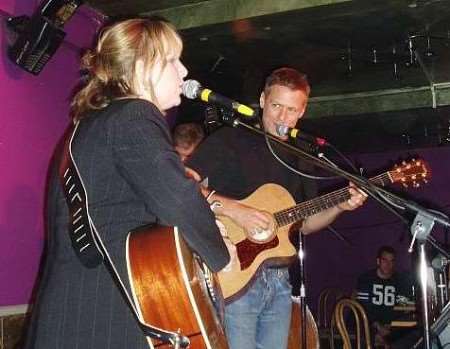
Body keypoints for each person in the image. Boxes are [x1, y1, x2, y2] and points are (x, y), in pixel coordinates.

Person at [23, 18, 229, 349]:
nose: (184, 70)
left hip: (81, 312)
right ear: (143, 66)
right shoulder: (135, 115)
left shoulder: (97, 123)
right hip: (104, 317)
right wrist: (222, 257)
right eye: (173, 60)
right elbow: (178, 200)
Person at [187, 67, 367, 349]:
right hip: (234, 276)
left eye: (291, 110)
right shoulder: (229, 140)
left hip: (280, 281)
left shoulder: (301, 157)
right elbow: (183, 184)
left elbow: (305, 223)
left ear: (302, 112)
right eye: (276, 106)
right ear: (261, 100)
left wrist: (340, 206)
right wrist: (236, 210)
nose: (283, 117)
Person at [356, 245, 414, 348]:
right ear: (378, 261)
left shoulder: (400, 281)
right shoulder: (366, 279)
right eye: (385, 260)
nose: (388, 264)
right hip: (368, 325)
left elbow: (405, 306)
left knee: (413, 333)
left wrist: (390, 325)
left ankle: (385, 341)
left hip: (392, 326)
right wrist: (378, 326)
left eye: (391, 261)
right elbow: (363, 308)